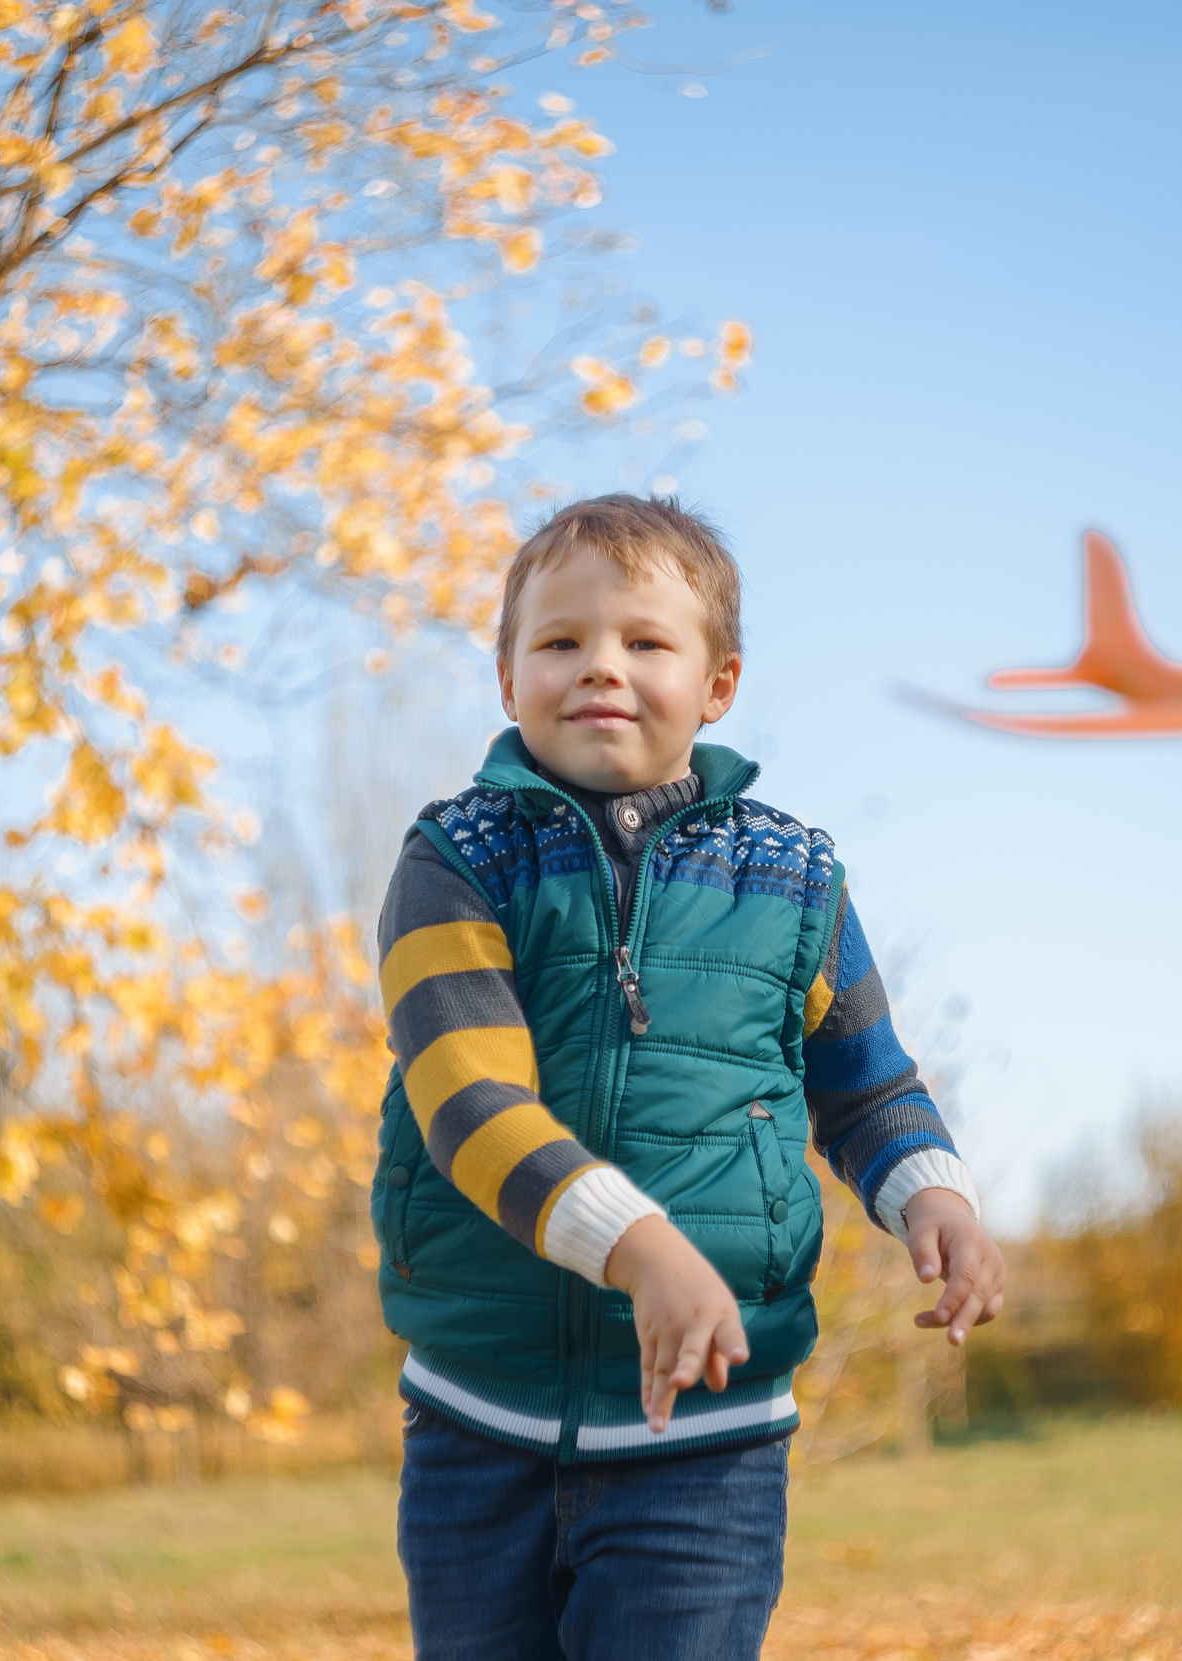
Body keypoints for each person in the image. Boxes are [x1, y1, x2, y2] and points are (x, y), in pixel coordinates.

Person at [373, 493, 1005, 1659]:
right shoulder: (455, 858)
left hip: (710, 1440)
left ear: (717, 683)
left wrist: (935, 1194)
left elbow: (866, 1086)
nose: (599, 667)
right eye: (559, 641)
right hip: (478, 1425)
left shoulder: (796, 876)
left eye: (644, 642)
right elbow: (468, 1108)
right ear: (508, 678)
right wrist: (645, 1248)